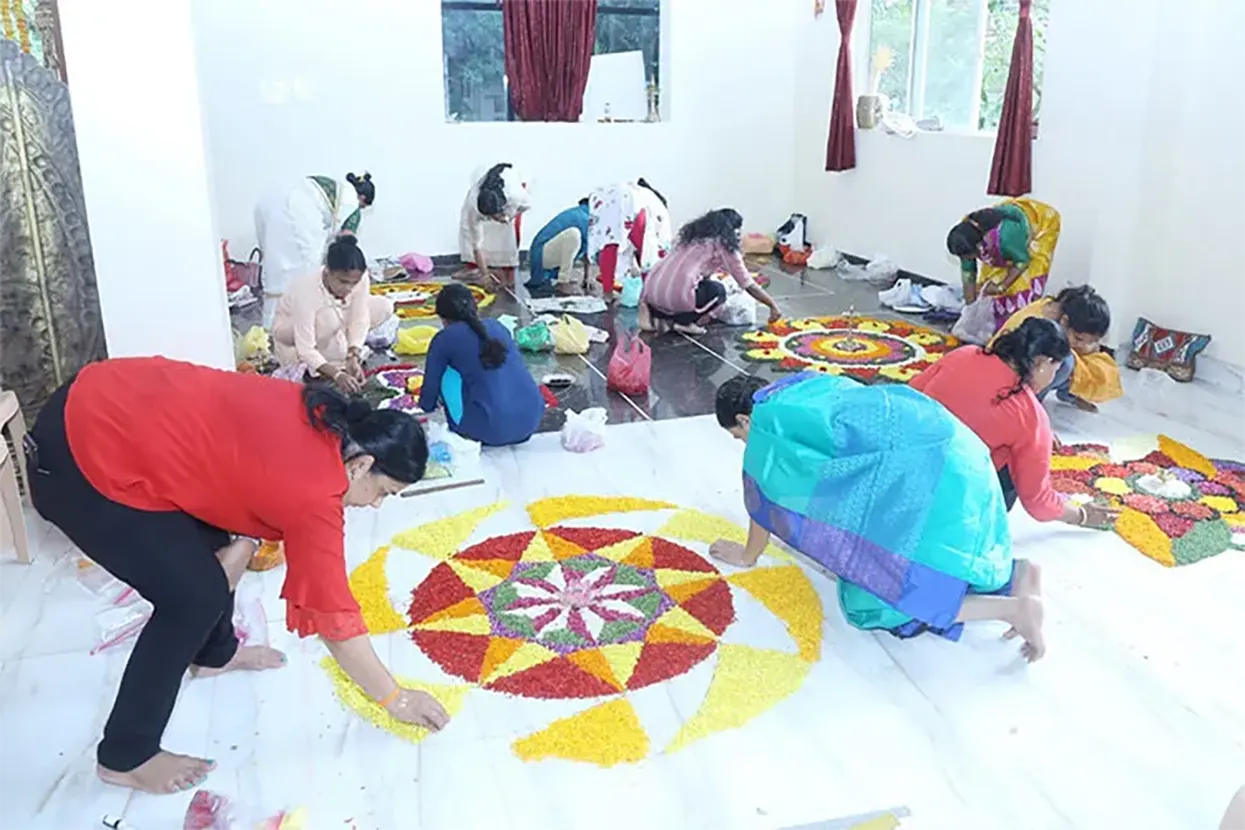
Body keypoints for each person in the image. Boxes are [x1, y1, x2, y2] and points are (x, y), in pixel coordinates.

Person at [27, 358, 449, 795]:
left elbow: (239, 475)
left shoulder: (322, 413)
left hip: (103, 398)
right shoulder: (316, 493)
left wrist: (244, 542)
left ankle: (214, 654)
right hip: (75, 457)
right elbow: (334, 620)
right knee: (192, 597)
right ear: (361, 465)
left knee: (211, 552)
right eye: (382, 493)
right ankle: (125, 756)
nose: (375, 505)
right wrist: (394, 697)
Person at [710, 373, 1047, 661]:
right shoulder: (801, 385)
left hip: (929, 479)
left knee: (875, 602)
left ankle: (1013, 610)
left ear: (744, 420)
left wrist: (748, 555)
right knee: (942, 554)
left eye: (738, 436)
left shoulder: (767, 425)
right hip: (957, 447)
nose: (743, 444)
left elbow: (764, 496)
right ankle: (1020, 572)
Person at [910, 317, 1120, 527]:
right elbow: (1037, 501)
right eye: (1056, 370)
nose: (1052, 378)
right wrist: (1082, 515)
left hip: (906, 470)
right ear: (1044, 363)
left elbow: (911, 395)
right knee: (1014, 461)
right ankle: (983, 523)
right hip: (951, 504)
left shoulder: (963, 354)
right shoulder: (1030, 415)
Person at [418, 283, 544, 446]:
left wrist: (427, 403)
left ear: (443, 318)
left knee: (448, 372)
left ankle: (465, 425)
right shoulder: (497, 326)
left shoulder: (444, 339)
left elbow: (428, 400)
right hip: (531, 421)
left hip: (489, 429)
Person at [270, 235, 397, 392]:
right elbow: (305, 348)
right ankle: (325, 362)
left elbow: (360, 318)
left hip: (334, 316)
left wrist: (353, 355)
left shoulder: (360, 277)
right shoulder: (306, 289)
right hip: (291, 336)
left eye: (354, 283)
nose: (348, 288)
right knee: (329, 321)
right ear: (327, 273)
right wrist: (336, 374)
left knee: (383, 306)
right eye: (343, 282)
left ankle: (337, 350)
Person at [255, 171, 375, 324]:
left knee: (275, 268)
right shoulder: (353, 207)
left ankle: (269, 324)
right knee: (303, 274)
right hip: (297, 209)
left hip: (269, 202)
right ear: (363, 199)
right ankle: (289, 327)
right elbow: (345, 245)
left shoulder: (337, 188)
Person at [639, 208, 782, 336]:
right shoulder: (725, 245)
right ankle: (685, 323)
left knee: (690, 286)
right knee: (718, 291)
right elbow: (748, 284)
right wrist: (772, 306)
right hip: (676, 298)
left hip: (650, 292)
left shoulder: (689, 238)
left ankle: (656, 317)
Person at [989, 284, 1120, 412]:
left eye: (1090, 341)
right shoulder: (1040, 325)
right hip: (1004, 372)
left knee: (1086, 367)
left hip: (1022, 366)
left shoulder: (1063, 313)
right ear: (1064, 321)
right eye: (1079, 339)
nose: (1082, 344)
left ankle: (1068, 394)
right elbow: (1017, 364)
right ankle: (1029, 404)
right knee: (1066, 362)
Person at [947, 198, 1061, 332]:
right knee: (988, 282)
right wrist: (970, 311)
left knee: (1023, 283)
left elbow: (1022, 261)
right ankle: (996, 323)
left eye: (969, 256)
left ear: (978, 245)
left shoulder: (1006, 237)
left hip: (1041, 224)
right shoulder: (966, 239)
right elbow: (969, 274)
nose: (966, 259)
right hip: (1002, 232)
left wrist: (1001, 286)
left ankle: (1017, 327)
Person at [587, 179, 673, 297]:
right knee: (647, 251)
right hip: (634, 205)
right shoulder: (657, 207)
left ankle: (607, 293)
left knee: (610, 242)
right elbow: (651, 254)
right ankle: (647, 294)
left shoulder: (638, 194)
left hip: (605, 199)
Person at [458, 163, 531, 286]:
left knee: (508, 234)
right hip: (481, 179)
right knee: (469, 234)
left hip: (511, 181)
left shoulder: (515, 195)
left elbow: (527, 206)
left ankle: (507, 269)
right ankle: (476, 269)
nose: (493, 220)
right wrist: (485, 275)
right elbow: (477, 246)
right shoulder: (473, 207)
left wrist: (510, 216)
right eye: (489, 217)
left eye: (495, 216)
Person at [525, 198, 591, 298]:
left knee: (575, 237)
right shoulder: (583, 217)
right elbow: (593, 250)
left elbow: (588, 250)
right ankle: (563, 282)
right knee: (573, 235)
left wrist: (587, 279)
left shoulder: (582, 213)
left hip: (544, 255)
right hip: (541, 256)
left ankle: (563, 279)